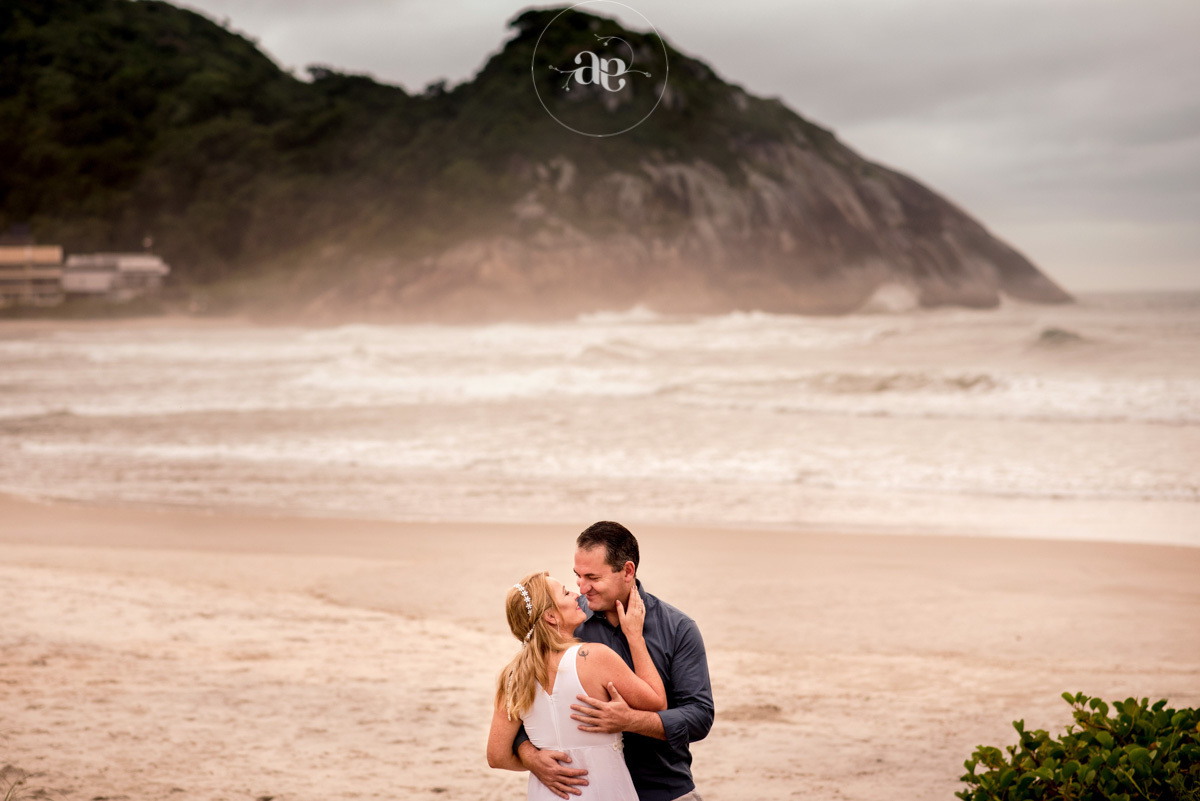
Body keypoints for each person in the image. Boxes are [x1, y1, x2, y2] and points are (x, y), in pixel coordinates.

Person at [513, 522, 715, 801]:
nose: (582, 588)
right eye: (578, 576)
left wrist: (631, 720)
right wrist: (530, 756)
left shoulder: (678, 628)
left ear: (628, 571)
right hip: (590, 792)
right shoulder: (567, 623)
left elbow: (699, 716)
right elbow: (523, 702)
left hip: (664, 789)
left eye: (593, 577)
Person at [487, 570, 668, 800]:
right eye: (565, 593)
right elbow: (657, 702)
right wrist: (635, 637)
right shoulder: (594, 657)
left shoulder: (513, 676)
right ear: (551, 616)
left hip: (548, 793)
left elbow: (497, 757)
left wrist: (534, 761)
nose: (576, 594)